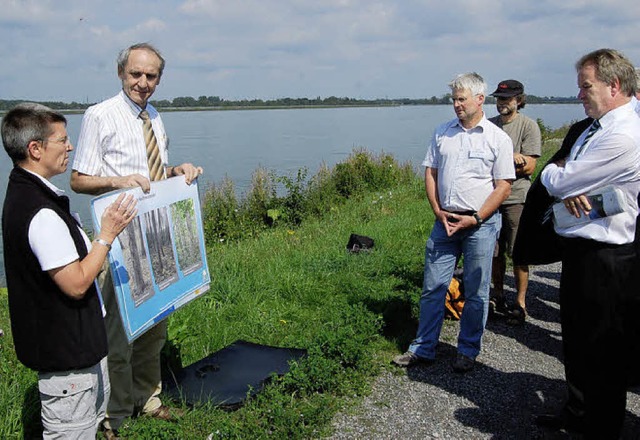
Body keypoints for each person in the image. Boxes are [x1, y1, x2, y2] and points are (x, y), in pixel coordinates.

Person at [70, 43, 203, 438]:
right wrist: (118, 180)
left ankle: (148, 398)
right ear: (121, 73)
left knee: (155, 325)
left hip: (157, 236)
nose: (142, 83)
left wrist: (176, 170)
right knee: (119, 331)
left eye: (151, 76)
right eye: (135, 74)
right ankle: (115, 414)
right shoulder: (100, 115)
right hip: (119, 240)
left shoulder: (155, 117)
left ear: (159, 79)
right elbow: (78, 179)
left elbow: (155, 171)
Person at [1, 104, 136, 438]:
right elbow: (76, 284)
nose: (70, 147)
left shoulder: (27, 193)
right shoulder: (40, 212)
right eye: (62, 140)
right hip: (66, 361)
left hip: (72, 351)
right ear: (35, 149)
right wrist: (106, 235)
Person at [536, 49, 640, 438]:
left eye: (585, 86)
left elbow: (561, 179)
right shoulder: (596, 126)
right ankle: (577, 414)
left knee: (604, 352)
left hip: (607, 258)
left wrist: (555, 174)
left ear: (613, 86)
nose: (579, 95)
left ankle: (602, 428)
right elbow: (569, 181)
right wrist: (566, 180)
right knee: (577, 340)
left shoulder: (624, 134)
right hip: (581, 251)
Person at [392, 73, 514, 373]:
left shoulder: (497, 138)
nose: (456, 105)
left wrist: (476, 217)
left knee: (476, 290)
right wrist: (437, 210)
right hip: (444, 222)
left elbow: (503, 186)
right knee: (433, 286)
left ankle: (467, 349)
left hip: (479, 225)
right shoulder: (443, 133)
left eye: (462, 99)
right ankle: (423, 348)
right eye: (454, 99)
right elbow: (430, 172)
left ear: (479, 99)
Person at [488, 80, 541, 325]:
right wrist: (511, 159)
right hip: (489, 197)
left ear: (519, 100)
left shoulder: (528, 126)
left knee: (518, 252)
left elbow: (529, 165)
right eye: (499, 98)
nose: (502, 103)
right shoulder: (488, 126)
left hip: (516, 198)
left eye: (507, 99)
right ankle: (497, 295)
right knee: (494, 252)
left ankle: (520, 303)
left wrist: (502, 162)